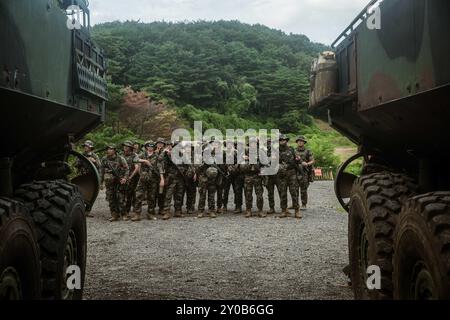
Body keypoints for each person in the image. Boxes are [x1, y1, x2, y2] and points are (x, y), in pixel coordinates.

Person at [132, 141, 161, 221]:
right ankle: (137, 214)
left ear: (154, 147)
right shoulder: (142, 154)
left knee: (151, 197)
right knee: (138, 195)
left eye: (152, 146)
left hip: (153, 179)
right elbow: (134, 159)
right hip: (143, 179)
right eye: (149, 146)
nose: (150, 147)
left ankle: (150, 214)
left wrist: (161, 177)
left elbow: (160, 166)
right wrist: (144, 161)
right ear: (146, 147)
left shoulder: (157, 156)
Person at [100, 145, 129, 222]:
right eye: (108, 149)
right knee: (111, 198)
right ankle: (114, 215)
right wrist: (101, 183)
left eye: (111, 149)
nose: (109, 150)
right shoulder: (104, 159)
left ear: (114, 150)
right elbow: (101, 171)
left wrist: (125, 178)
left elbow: (127, 169)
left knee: (120, 198)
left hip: (119, 180)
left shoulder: (120, 158)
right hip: (109, 182)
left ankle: (124, 214)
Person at [276, 134, 301, 219]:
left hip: (291, 174)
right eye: (280, 140)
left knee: (294, 192)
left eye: (283, 140)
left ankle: (297, 211)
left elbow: (298, 160)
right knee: (283, 193)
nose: (281, 141)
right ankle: (284, 210)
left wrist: (298, 159)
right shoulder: (276, 151)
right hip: (282, 175)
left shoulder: (291, 149)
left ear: (286, 140)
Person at [240, 137, 265, 218]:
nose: (253, 145)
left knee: (259, 195)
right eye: (251, 143)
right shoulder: (245, 152)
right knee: (248, 194)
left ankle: (260, 210)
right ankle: (248, 210)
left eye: (254, 143)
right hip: (248, 176)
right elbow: (240, 163)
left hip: (257, 176)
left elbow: (265, 163)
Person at [294, 136, 315, 210]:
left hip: (304, 172)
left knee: (303, 189)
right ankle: (295, 204)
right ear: (297, 142)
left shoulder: (308, 150)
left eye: (302, 141)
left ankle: (303, 204)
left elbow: (312, 160)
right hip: (295, 172)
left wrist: (307, 164)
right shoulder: (294, 150)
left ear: (304, 142)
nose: (300, 142)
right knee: (294, 189)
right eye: (299, 141)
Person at [122, 140, 140, 220]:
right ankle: (125, 212)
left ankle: (134, 212)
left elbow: (136, 168)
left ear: (130, 148)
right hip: (123, 178)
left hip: (133, 178)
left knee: (133, 195)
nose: (125, 148)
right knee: (124, 195)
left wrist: (130, 177)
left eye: (127, 146)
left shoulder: (134, 155)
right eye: (124, 146)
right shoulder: (121, 155)